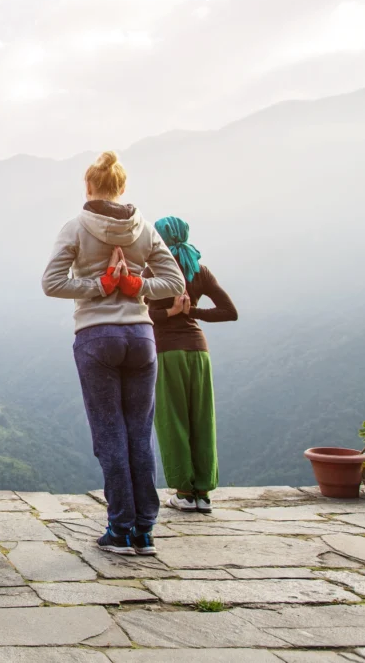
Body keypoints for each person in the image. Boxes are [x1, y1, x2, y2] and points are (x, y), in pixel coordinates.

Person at [41, 151, 184, 557]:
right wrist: (137, 286)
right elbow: (173, 282)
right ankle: (144, 531)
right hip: (141, 336)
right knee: (139, 433)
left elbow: (52, 283)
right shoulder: (146, 230)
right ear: (122, 188)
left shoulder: (76, 227)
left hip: (96, 336)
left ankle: (120, 530)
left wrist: (100, 286)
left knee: (110, 436)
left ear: (88, 187)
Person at [145, 216, 238, 514]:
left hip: (166, 352)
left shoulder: (154, 271)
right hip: (199, 352)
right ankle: (203, 494)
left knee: (173, 419)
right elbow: (229, 311)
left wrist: (172, 313)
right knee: (201, 418)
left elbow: (144, 315)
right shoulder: (200, 270)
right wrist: (192, 311)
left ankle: (184, 492)